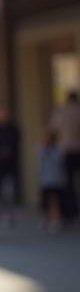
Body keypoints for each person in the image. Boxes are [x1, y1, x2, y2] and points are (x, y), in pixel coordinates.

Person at [0, 104, 21, 226]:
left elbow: (16, 144)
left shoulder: (14, 128)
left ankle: (9, 213)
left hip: (11, 164)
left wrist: (9, 152)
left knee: (9, 190)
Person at [51, 91, 80, 224]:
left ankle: (71, 212)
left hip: (66, 150)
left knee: (67, 183)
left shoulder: (62, 112)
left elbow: (52, 128)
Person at [39, 129, 67, 232]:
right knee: (45, 201)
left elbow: (59, 162)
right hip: (45, 180)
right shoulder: (42, 150)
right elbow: (40, 165)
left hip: (56, 179)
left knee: (55, 200)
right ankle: (46, 218)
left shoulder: (58, 150)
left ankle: (56, 219)